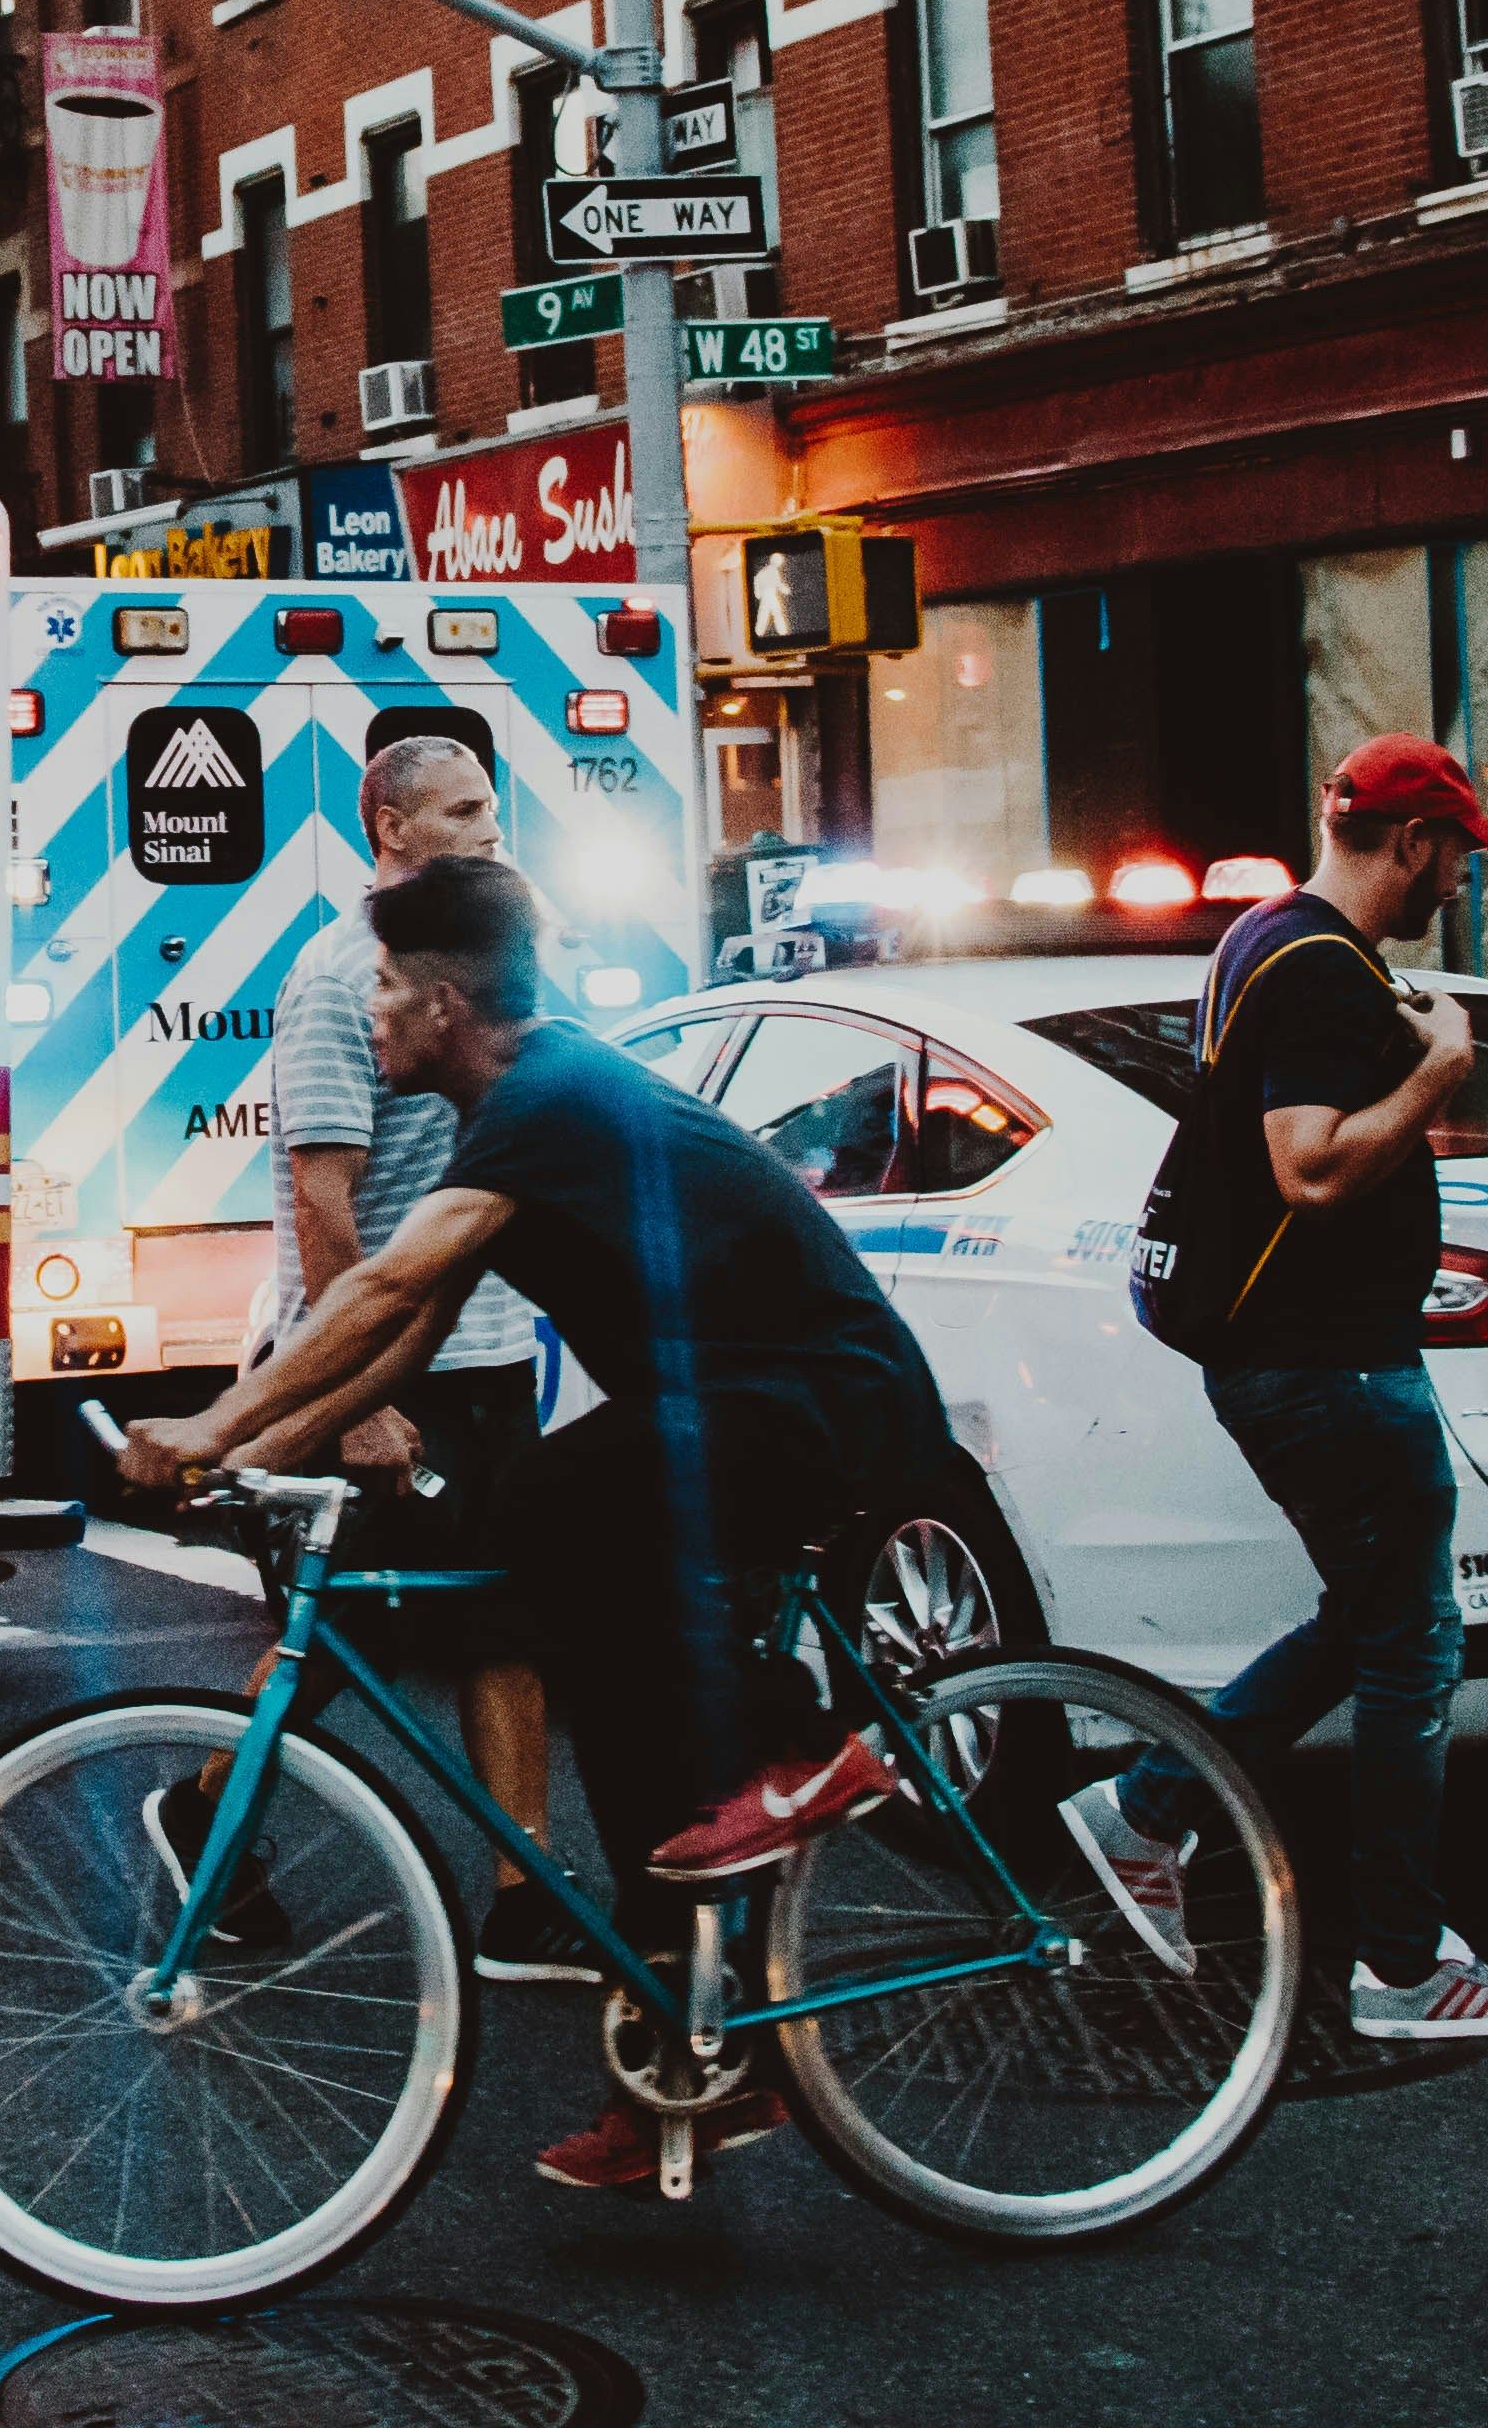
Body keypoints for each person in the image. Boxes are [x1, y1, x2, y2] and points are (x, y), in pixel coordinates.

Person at [114, 854, 949, 2194]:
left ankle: (800, 1751)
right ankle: (696, 2060)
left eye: (386, 985)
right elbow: (410, 1339)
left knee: (555, 1499)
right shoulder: (506, 1112)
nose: (369, 1007)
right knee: (623, 1721)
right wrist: (260, 1447)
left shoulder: (549, 1095)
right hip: (739, 1410)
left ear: (444, 1002)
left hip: (815, 1406)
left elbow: (389, 1289)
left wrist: (210, 1432)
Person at [1084, 734, 1488, 2045]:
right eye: (1459, 854)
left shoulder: (1270, 940)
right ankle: (1402, 1969)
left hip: (1303, 1357)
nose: (1462, 882)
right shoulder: (1314, 972)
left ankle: (1147, 1805)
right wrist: (1438, 1072)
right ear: (1412, 841)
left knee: (1374, 1622)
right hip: (1329, 1364)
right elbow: (1307, 1168)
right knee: (1413, 1648)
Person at [151, 733, 578, 1986]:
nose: (489, 830)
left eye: (490, 808)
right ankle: (206, 1813)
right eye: (458, 811)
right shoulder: (344, 981)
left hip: (483, 1354)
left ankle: (525, 1895)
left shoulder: (483, 969)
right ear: (389, 830)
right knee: (346, 1634)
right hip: (388, 1367)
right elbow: (322, 1204)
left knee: (509, 1622)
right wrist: (354, 1403)